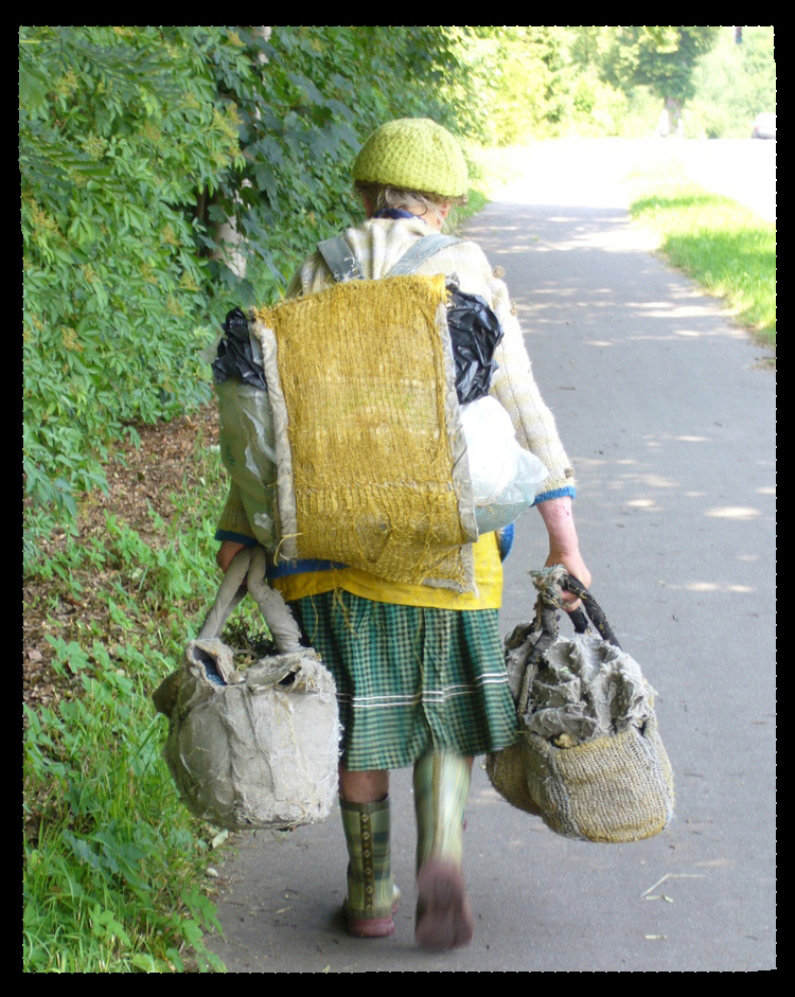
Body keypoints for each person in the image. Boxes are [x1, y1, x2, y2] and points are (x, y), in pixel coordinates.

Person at [214, 118, 591, 950]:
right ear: (447, 201)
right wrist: (563, 536)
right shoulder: (466, 271)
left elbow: (269, 412)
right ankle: (443, 861)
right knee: (444, 718)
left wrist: (240, 533)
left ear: (362, 194)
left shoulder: (317, 264)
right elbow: (521, 405)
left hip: (326, 541)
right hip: (445, 544)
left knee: (358, 718)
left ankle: (367, 889)